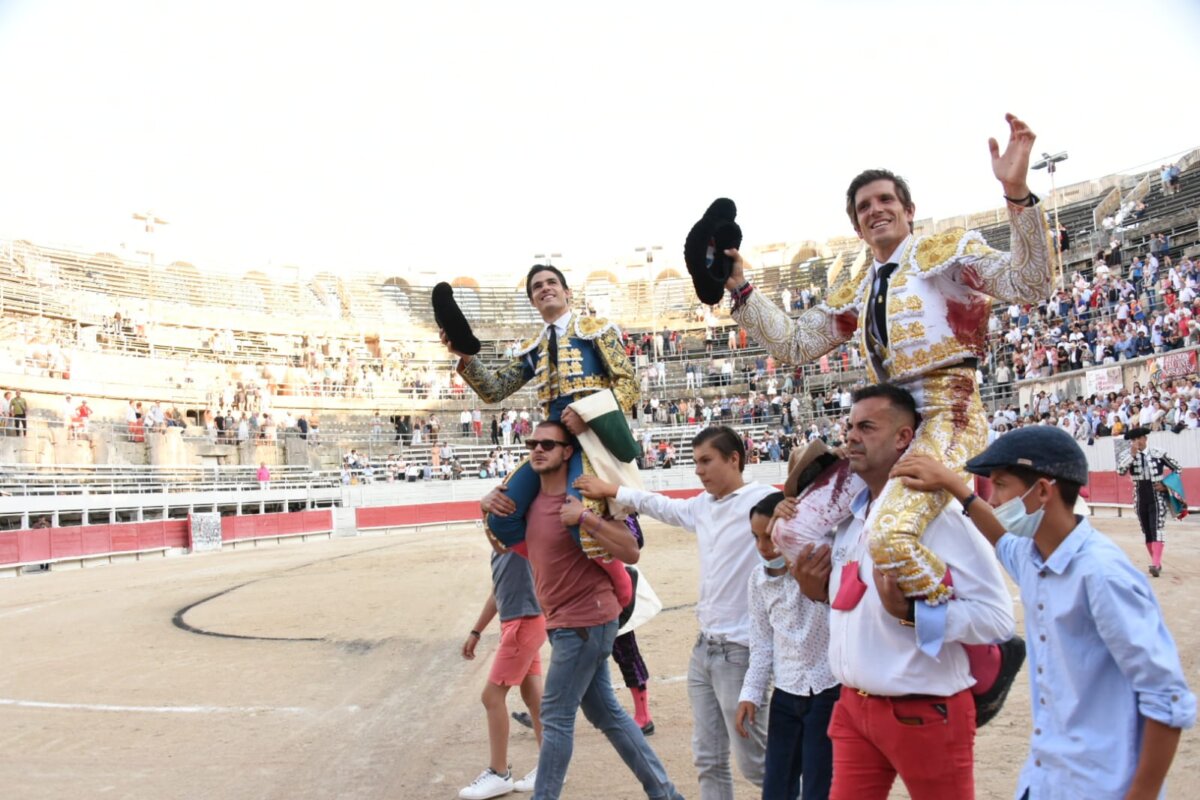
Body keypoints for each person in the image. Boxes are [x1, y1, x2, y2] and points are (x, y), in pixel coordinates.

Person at [723, 114, 1053, 605]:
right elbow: (795, 345)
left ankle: (969, 628)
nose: (875, 210)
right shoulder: (858, 287)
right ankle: (860, 626)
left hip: (948, 415)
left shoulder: (946, 252)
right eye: (864, 207)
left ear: (909, 211)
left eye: (885, 201)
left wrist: (1017, 194)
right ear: (856, 227)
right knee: (791, 532)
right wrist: (740, 287)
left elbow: (1031, 284)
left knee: (891, 535)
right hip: (883, 424)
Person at [892, 426, 1196, 800]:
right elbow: (1000, 538)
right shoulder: (1034, 556)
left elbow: (1166, 697)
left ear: (1041, 492)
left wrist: (1142, 794)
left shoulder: (1101, 575)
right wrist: (956, 488)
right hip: (1046, 780)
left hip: (1101, 787)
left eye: (1001, 486)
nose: (994, 499)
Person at [790, 384, 1014, 799]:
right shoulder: (850, 517)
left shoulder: (940, 515)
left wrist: (915, 614)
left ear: (903, 438)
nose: (851, 437)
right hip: (854, 707)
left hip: (924, 709)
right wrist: (816, 592)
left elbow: (998, 618)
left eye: (867, 427)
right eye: (850, 426)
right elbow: (859, 602)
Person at [479, 421, 683, 800]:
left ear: (568, 451)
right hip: (565, 624)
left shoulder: (586, 501)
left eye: (548, 444)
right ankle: (666, 794)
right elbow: (505, 545)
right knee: (606, 714)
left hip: (586, 621)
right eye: (532, 443)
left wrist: (586, 518)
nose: (537, 449)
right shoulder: (530, 504)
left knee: (555, 716)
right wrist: (485, 506)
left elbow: (631, 550)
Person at [576, 426, 775, 800]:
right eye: (696, 461)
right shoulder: (703, 505)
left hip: (742, 652)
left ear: (734, 459)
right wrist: (613, 490)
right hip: (705, 649)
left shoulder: (763, 500)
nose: (698, 470)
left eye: (706, 461)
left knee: (756, 763)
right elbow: (660, 505)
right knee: (708, 759)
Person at [444, 264, 641, 562]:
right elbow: (494, 390)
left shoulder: (597, 331)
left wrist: (589, 415)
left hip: (594, 442)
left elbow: (629, 384)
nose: (545, 288)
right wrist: (466, 356)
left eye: (551, 282)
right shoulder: (534, 348)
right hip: (552, 444)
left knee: (582, 520)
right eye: (537, 286)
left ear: (567, 292)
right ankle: (543, 569)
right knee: (501, 517)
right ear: (533, 301)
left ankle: (624, 572)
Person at [736, 491, 837, 800]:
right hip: (786, 694)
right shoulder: (758, 580)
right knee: (776, 788)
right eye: (756, 537)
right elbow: (762, 643)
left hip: (828, 692)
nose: (762, 547)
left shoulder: (824, 563)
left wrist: (814, 587)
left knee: (819, 787)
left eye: (770, 536)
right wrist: (750, 693)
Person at [458, 549, 546, 799]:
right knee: (533, 695)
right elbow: (497, 591)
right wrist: (476, 631)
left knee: (491, 697)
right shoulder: (501, 546)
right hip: (520, 623)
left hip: (524, 624)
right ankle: (551, 766)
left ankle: (499, 773)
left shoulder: (518, 539)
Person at [1116, 427, 1182, 577]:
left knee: (1156, 527)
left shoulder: (1158, 453)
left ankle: (1156, 564)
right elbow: (1120, 471)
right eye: (1133, 440)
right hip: (1139, 496)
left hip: (1157, 495)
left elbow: (1177, 468)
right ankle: (1155, 561)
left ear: (1145, 439)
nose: (1135, 442)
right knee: (1147, 530)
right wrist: (1132, 455)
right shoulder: (1127, 455)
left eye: (1138, 439)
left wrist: (1166, 485)